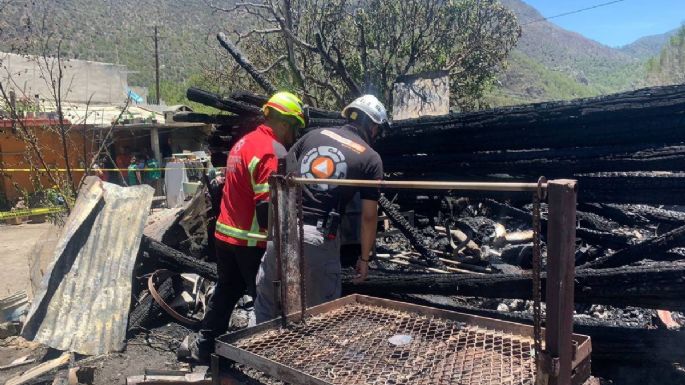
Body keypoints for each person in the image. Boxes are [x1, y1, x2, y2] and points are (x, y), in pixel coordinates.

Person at [181, 91, 307, 362]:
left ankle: (204, 345)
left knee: (227, 291)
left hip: (225, 236)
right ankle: (271, 359)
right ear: (284, 123)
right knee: (268, 301)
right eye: (295, 127)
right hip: (250, 241)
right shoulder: (271, 151)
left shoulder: (244, 143)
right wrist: (280, 245)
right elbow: (266, 206)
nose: (294, 134)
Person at [254, 95, 388, 324]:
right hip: (319, 240)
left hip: (282, 232)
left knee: (267, 311)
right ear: (373, 126)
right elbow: (368, 217)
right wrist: (364, 260)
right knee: (321, 318)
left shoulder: (313, 135)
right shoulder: (370, 158)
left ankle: (254, 357)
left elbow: (283, 172)